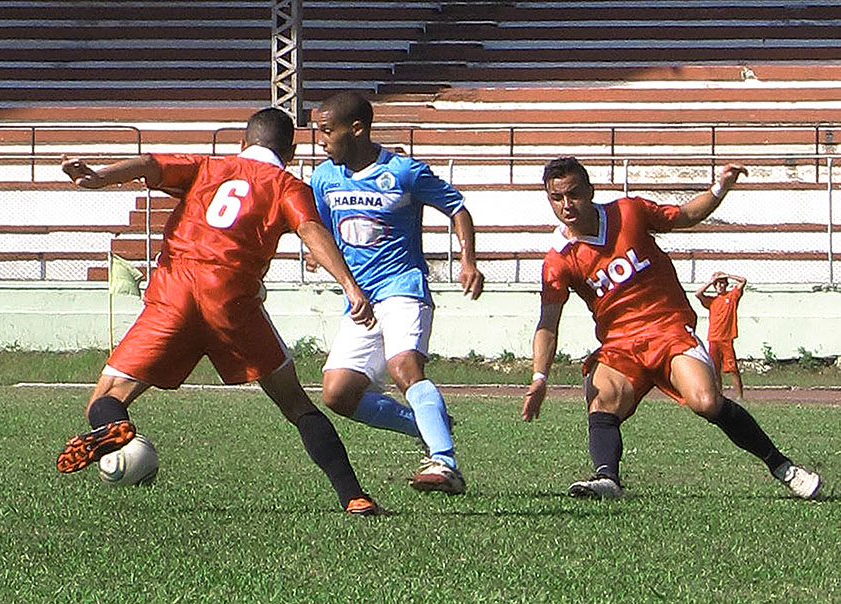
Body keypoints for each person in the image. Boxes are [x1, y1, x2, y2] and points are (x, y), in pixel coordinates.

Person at [55, 107, 383, 516]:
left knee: (103, 400)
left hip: (174, 292)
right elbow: (310, 230)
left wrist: (100, 176)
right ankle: (354, 496)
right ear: (291, 152)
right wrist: (350, 286)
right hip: (232, 301)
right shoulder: (286, 185)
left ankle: (114, 429)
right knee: (297, 406)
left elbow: (150, 164)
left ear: (242, 143)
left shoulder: (209, 166)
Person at [522, 156, 821, 500]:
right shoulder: (559, 259)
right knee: (601, 399)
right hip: (621, 344)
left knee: (706, 401)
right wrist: (539, 377)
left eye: (573, 194)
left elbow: (686, 215)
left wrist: (720, 186)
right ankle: (607, 479)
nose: (566, 205)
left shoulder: (628, 213)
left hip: (669, 330)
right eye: (556, 198)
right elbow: (548, 322)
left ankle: (784, 467)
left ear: (590, 191)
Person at [307, 91, 484, 494]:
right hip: (360, 299)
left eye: (326, 132)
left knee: (405, 367)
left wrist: (468, 260)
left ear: (357, 129)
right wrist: (320, 256)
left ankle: (444, 463)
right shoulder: (323, 177)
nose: (322, 141)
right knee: (337, 393)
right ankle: (428, 425)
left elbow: (457, 208)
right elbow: (318, 226)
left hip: (403, 288)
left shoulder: (404, 172)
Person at [696, 271, 747, 400]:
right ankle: (719, 394)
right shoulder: (711, 301)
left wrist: (727, 275)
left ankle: (739, 395)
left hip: (726, 338)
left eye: (722, 283)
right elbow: (698, 294)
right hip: (713, 338)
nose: (720, 286)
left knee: (732, 368)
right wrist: (710, 281)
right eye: (717, 284)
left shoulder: (732, 296)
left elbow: (743, 281)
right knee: (714, 369)